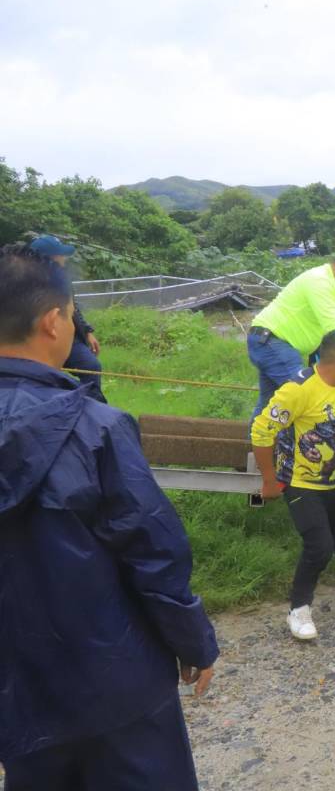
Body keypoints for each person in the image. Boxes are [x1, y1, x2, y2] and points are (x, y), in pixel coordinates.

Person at [0, 245, 218, 791]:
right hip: (113, 682)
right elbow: (152, 549)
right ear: (52, 322)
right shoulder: (96, 428)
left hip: (16, 691)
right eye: (72, 315)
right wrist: (193, 641)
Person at [251, 330, 335, 641]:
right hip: (302, 483)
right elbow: (261, 432)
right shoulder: (297, 390)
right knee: (319, 546)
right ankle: (298, 610)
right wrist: (268, 480)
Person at [247, 246, 335, 421]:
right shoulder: (320, 282)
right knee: (306, 397)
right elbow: (332, 325)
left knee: (269, 403)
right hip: (272, 341)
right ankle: (305, 445)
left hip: (269, 342)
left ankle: (256, 446)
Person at [27, 234, 106, 403]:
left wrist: (87, 332)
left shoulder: (62, 279)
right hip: (36, 340)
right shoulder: (24, 280)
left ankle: (92, 405)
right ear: (50, 258)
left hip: (68, 337)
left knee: (91, 367)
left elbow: (73, 308)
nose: (64, 258)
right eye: (60, 254)